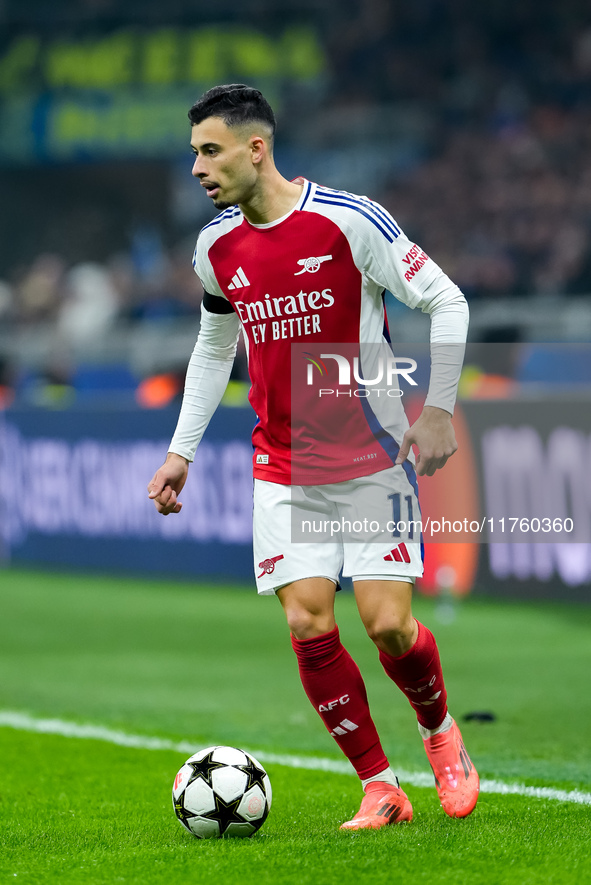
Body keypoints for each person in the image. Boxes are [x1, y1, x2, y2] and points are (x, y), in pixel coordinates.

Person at [148, 84, 479, 830]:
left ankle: (437, 729)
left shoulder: (348, 221)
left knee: (388, 625)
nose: (197, 167)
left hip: (370, 456)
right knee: (306, 620)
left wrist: (437, 410)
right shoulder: (214, 248)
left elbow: (448, 301)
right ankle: (379, 785)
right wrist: (181, 452)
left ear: (254, 147)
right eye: (193, 152)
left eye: (209, 151)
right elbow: (213, 345)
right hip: (282, 463)